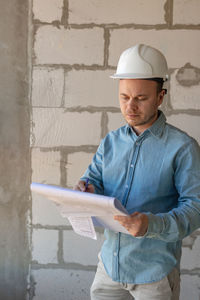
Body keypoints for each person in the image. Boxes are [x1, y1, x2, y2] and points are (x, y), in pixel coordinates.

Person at [74, 44, 200, 300]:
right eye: (124, 97)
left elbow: (196, 209)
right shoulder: (110, 142)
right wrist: (86, 188)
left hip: (155, 275)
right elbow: (93, 179)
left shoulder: (183, 147)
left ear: (161, 96)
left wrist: (150, 225)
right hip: (109, 267)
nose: (130, 106)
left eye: (141, 98)